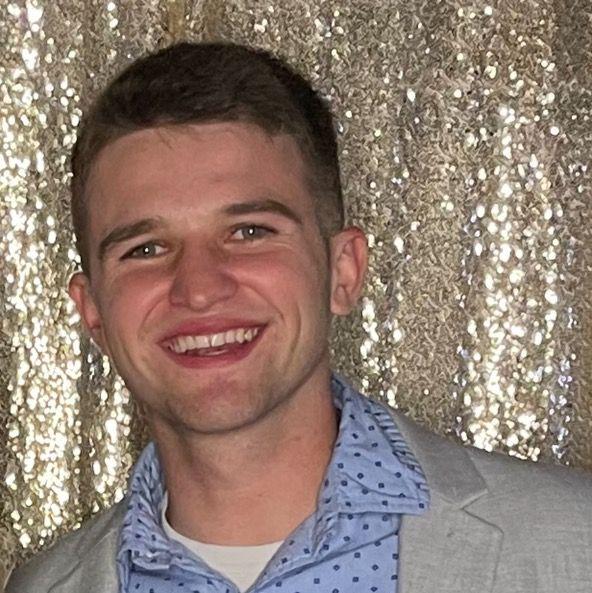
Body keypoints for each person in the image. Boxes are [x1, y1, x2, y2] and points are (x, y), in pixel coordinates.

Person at [5, 42, 592, 593]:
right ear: (93, 312)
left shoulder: (574, 545)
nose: (200, 289)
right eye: (146, 249)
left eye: (249, 232)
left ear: (342, 271)